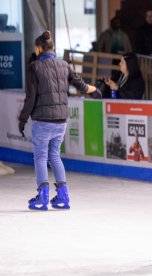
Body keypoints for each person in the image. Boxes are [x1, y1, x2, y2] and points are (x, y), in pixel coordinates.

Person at [18, 31, 100, 211]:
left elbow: (30, 98)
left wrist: (22, 119)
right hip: (61, 121)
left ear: (39, 48)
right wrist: (95, 89)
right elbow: (82, 86)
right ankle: (63, 196)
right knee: (54, 155)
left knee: (40, 157)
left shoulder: (34, 67)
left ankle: (43, 197)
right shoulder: (65, 65)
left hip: (42, 120)